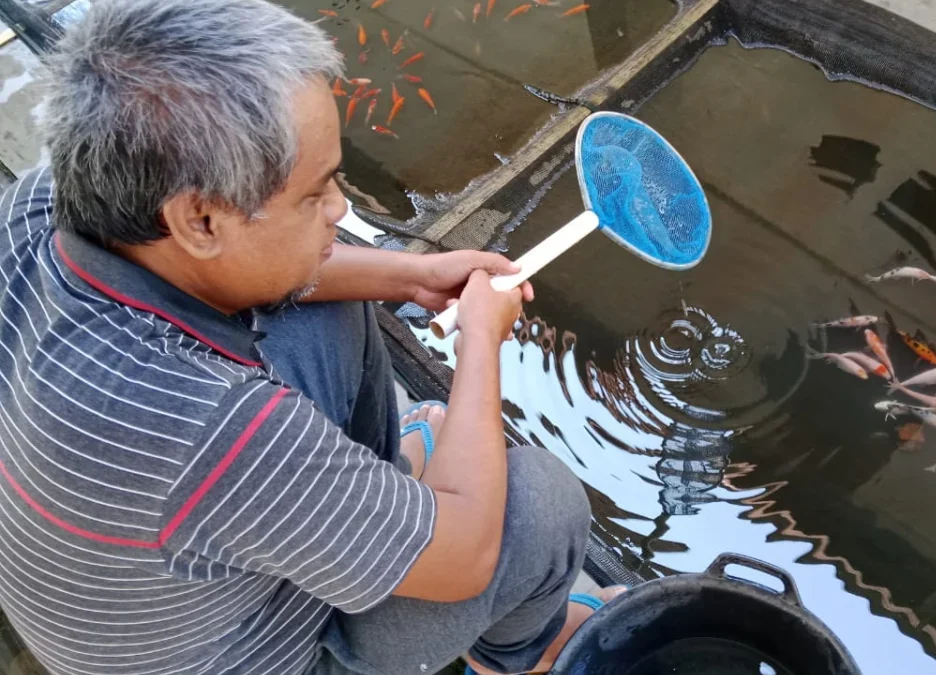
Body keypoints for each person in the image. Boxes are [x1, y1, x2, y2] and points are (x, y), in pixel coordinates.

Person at [0, 1, 619, 673]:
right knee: (534, 510)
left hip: (121, 591)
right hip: (254, 654)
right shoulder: (214, 429)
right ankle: (524, 653)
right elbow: (468, 553)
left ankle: (375, 507)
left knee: (320, 293)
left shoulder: (38, 206)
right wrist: (479, 341)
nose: (342, 209)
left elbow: (284, 273)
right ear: (200, 221)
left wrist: (410, 277)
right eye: (315, 193)